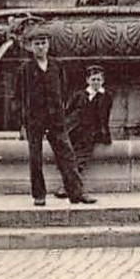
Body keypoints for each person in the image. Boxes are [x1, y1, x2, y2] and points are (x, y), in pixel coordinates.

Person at [21, 32, 94, 206]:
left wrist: (62, 114)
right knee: (35, 157)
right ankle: (39, 195)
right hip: (34, 119)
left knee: (67, 154)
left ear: (48, 45)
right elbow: (19, 97)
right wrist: (22, 123)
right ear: (31, 47)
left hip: (56, 119)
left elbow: (64, 90)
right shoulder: (25, 69)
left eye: (43, 43)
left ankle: (76, 193)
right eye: (37, 44)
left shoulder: (57, 66)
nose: (40, 47)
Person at [60, 64, 114, 193]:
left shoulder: (106, 96)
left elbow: (104, 116)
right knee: (70, 157)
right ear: (87, 81)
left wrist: (104, 133)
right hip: (77, 130)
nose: (96, 82)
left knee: (80, 158)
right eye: (93, 79)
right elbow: (67, 111)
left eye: (98, 79)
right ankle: (69, 186)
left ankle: (68, 187)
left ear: (103, 81)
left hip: (93, 132)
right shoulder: (79, 95)